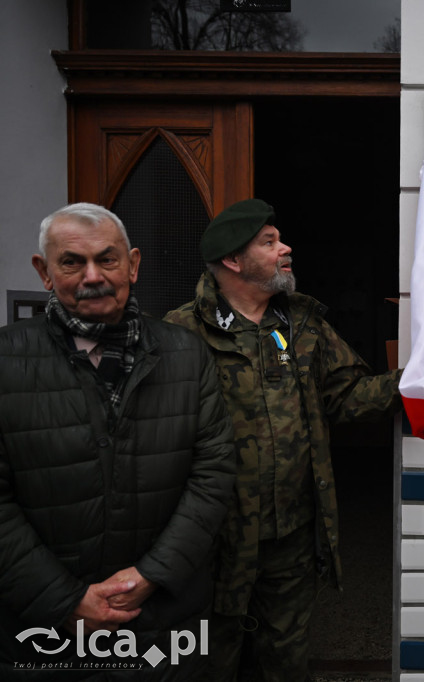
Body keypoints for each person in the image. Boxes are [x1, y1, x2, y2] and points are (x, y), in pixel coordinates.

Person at [164, 198, 403, 682]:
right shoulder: (182, 332)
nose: (286, 248)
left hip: (291, 536)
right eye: (269, 242)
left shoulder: (302, 323)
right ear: (233, 260)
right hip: (213, 540)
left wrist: (415, 380)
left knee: (287, 659)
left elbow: (349, 396)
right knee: (209, 660)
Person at [0, 203, 236, 679]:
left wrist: (149, 577)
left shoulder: (185, 354)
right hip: (42, 631)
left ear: (132, 264)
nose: (92, 276)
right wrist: (66, 601)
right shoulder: (6, 361)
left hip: (163, 623)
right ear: (44, 272)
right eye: (71, 262)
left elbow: (214, 473)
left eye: (106, 260)